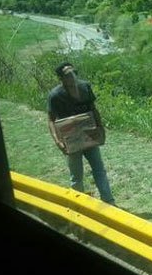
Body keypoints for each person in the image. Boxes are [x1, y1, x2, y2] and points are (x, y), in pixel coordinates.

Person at [47, 62, 115, 205]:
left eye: (74, 73)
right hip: (71, 139)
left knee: (99, 169)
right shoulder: (55, 95)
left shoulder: (85, 87)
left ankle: (109, 202)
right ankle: (79, 205)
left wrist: (100, 128)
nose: (72, 76)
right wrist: (58, 141)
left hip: (89, 134)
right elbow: (51, 120)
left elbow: (93, 108)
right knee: (76, 176)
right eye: (68, 75)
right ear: (61, 79)